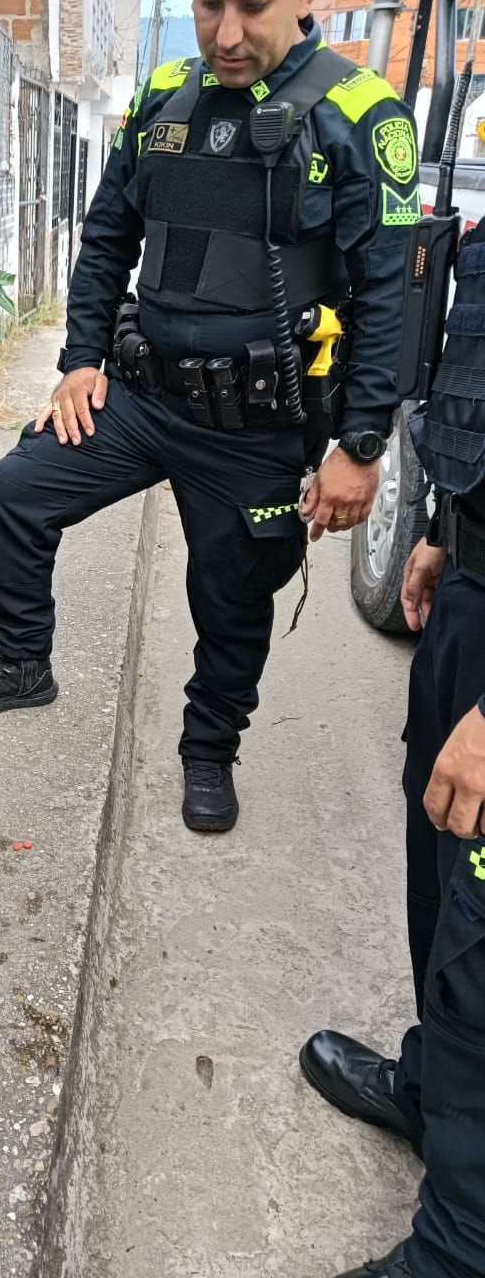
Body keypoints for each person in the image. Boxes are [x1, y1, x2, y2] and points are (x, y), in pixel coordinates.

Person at [0, 0, 420, 833]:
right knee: (10, 496)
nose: (227, 34)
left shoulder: (359, 112)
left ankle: (207, 749)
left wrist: (359, 445)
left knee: (233, 594)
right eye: (209, 6)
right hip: (139, 399)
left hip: (256, 425)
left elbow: (389, 294)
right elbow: (106, 238)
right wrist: (80, 362)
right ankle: (24, 665)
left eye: (253, 8)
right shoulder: (165, 92)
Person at [299, 217, 485, 1277]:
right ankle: (435, 1093)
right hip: (472, 574)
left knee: (481, 930)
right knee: (437, 868)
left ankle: (461, 1245)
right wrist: (447, 529)